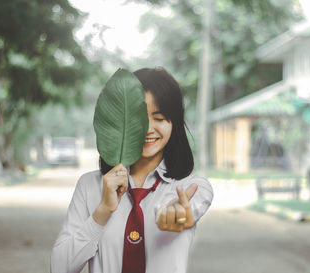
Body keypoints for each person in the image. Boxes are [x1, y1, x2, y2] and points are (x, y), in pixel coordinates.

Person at [50, 67, 213, 273]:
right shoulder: (89, 186)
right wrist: (102, 211)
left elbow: (190, 207)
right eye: (139, 118)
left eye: (159, 118)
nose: (147, 129)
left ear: (174, 124)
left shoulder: (191, 187)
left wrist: (177, 216)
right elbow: (58, 268)